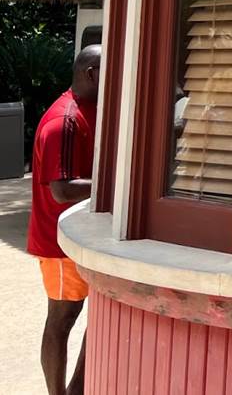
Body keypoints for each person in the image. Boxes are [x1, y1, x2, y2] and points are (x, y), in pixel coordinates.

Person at [27, 46, 101, 395]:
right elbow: (62, 189)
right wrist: (117, 183)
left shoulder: (90, 110)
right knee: (61, 321)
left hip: (84, 238)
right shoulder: (63, 121)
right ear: (91, 74)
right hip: (59, 244)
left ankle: (76, 390)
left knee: (99, 320)